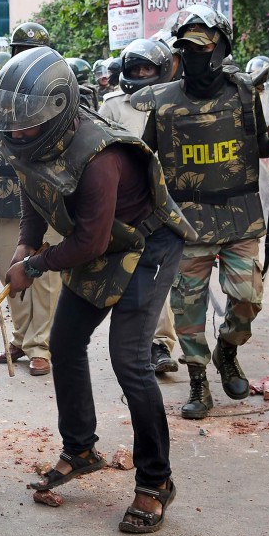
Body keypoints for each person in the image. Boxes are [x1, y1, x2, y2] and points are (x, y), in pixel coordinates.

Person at [0, 46, 194, 533]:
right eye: (12, 124)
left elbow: (88, 240)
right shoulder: (27, 140)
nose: (17, 133)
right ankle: (80, 448)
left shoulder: (98, 155)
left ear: (59, 111)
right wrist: (25, 243)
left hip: (147, 245)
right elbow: (35, 188)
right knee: (64, 342)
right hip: (103, 242)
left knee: (129, 360)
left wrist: (34, 266)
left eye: (27, 124)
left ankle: (155, 482)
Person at [132, 5, 269, 419]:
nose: (195, 57)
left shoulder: (243, 94)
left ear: (221, 48)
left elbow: (257, 146)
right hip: (187, 221)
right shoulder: (163, 105)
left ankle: (227, 352)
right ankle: (199, 379)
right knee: (187, 308)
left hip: (239, 215)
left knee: (247, 299)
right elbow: (147, 162)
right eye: (187, 49)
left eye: (203, 48)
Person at [0, 37, 62, 376]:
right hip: (6, 198)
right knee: (11, 270)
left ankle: (42, 345)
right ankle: (21, 338)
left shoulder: (55, 93)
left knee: (46, 277)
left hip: (48, 197)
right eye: (19, 49)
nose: (23, 57)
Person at [97, 38, 180, 374]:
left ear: (161, 72)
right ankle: (139, 344)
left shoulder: (175, 101)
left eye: (148, 68)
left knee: (163, 275)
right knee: (136, 272)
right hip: (128, 202)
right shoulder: (113, 105)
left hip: (168, 199)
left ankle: (160, 344)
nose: (141, 74)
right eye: (135, 68)